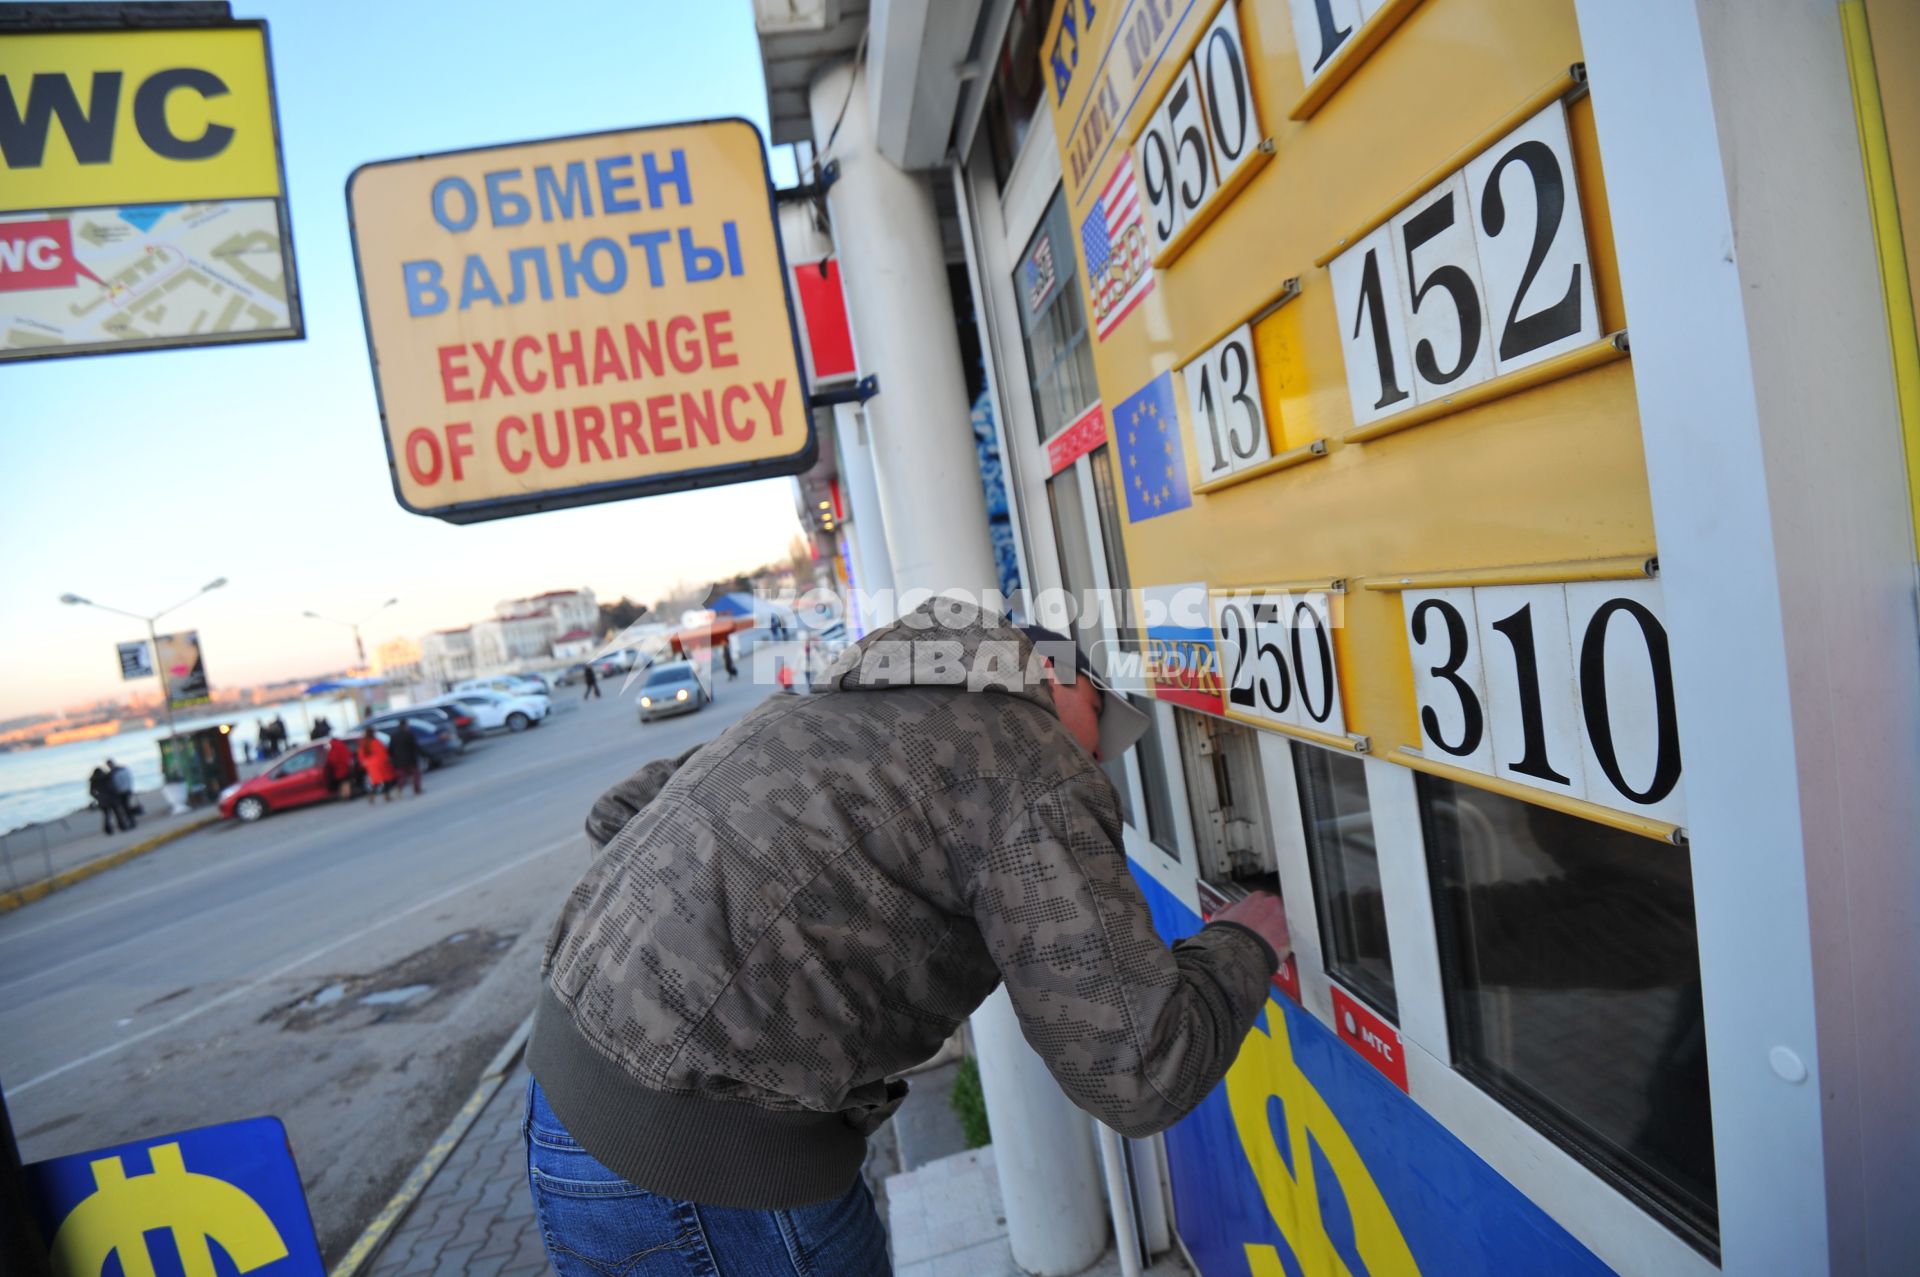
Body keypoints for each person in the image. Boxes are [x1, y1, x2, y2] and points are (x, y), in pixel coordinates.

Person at [524, 601, 1291, 1276]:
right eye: (1099, 733)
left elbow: (618, 811)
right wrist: (1245, 944)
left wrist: (722, 955)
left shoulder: (833, 707)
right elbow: (1136, 1069)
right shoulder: (1028, 750)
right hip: (710, 1164)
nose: (1097, 763)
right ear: (1057, 676)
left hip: (566, 1104)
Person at [386, 720, 424, 797]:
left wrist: (392, 759)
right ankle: (417, 789)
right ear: (405, 726)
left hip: (399, 761)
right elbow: (415, 747)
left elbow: (390, 749)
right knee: (416, 775)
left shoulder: (393, 736)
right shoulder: (409, 734)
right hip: (410, 759)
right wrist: (424, 754)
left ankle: (398, 790)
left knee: (402, 777)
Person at [88, 764, 127, 835]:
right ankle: (122, 826)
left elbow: (91, 792)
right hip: (111, 798)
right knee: (117, 813)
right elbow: (114, 786)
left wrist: (98, 797)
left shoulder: (94, 780)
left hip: (103, 800)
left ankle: (108, 829)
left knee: (107, 816)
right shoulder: (107, 777)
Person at [358, 731, 395, 804]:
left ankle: (371, 795)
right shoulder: (375, 742)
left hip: (371, 765)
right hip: (380, 763)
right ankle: (386, 795)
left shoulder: (364, 743)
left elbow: (361, 755)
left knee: (376, 782)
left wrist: (365, 763)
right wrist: (387, 760)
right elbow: (382, 752)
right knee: (386, 780)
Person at [107, 758, 137, 831]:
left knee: (125, 807)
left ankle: (131, 821)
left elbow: (114, 784)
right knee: (126, 807)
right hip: (126, 790)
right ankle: (131, 820)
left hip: (121, 792)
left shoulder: (113, 773)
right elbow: (129, 778)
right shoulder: (123, 769)